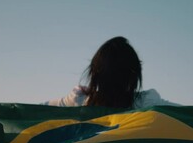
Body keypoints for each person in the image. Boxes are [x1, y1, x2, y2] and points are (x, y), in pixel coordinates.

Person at [43, 36, 178, 109]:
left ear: (95, 73)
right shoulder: (145, 103)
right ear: (134, 76)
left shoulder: (78, 100)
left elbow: (35, 113)